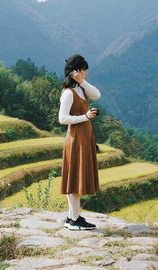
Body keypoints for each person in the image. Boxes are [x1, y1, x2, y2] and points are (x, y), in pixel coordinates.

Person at [58, 54, 101, 231]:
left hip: (83, 138)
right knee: (74, 179)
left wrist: (81, 81)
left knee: (75, 178)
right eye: (84, 70)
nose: (86, 73)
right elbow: (62, 119)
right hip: (75, 139)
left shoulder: (81, 90)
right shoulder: (68, 93)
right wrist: (85, 117)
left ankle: (72, 216)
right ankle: (74, 219)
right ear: (76, 71)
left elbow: (97, 95)